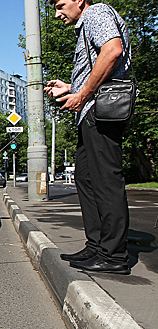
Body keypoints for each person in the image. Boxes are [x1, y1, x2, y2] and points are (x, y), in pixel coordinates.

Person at [44, 0, 131, 274]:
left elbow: (113, 50)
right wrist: (70, 86)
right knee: (85, 177)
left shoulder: (96, 12)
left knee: (105, 181)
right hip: (91, 111)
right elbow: (101, 64)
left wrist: (82, 95)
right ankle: (97, 245)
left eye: (60, 5)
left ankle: (114, 255)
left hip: (100, 111)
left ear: (80, 0)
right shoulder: (87, 23)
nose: (58, 14)